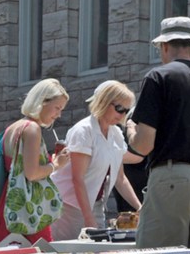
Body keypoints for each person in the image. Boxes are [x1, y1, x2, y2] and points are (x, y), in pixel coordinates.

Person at [126, 16, 190, 252]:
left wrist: (131, 128)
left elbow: (143, 146)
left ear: (164, 46)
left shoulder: (158, 77)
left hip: (172, 178)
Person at [50, 80, 142, 240]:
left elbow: (120, 179)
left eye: (126, 111)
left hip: (95, 204)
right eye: (119, 109)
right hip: (67, 206)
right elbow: (77, 179)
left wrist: (140, 208)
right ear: (104, 101)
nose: (122, 115)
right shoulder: (84, 131)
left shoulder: (116, 134)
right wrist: (88, 218)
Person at [0, 78, 70, 247]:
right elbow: (32, 174)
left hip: (10, 201)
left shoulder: (14, 127)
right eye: (57, 107)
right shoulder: (32, 129)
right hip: (27, 207)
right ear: (42, 102)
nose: (59, 114)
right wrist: (57, 164)